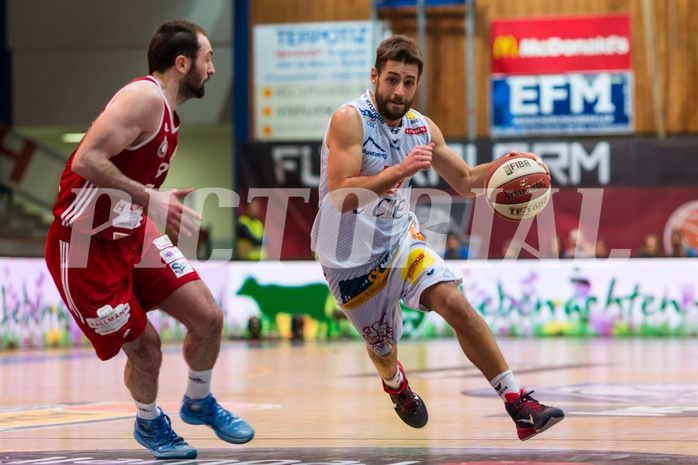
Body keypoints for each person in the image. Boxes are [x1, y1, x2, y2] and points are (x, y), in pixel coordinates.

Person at [310, 34, 564, 441]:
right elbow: (341, 196)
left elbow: (465, 181)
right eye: (392, 79)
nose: (400, 91)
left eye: (409, 82)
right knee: (383, 351)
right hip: (347, 259)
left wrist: (506, 165)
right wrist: (399, 171)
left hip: (399, 242)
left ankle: (518, 403)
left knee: (454, 302)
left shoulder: (421, 128)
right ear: (374, 76)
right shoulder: (349, 119)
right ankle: (395, 384)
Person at [43, 21, 253, 459]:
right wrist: (149, 198)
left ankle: (199, 401)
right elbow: (85, 160)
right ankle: (148, 422)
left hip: (132, 235)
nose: (212, 69)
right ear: (182, 63)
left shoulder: (169, 113)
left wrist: (154, 208)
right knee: (147, 349)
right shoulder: (142, 97)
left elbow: (126, 177)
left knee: (209, 318)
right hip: (84, 249)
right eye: (208, 58)